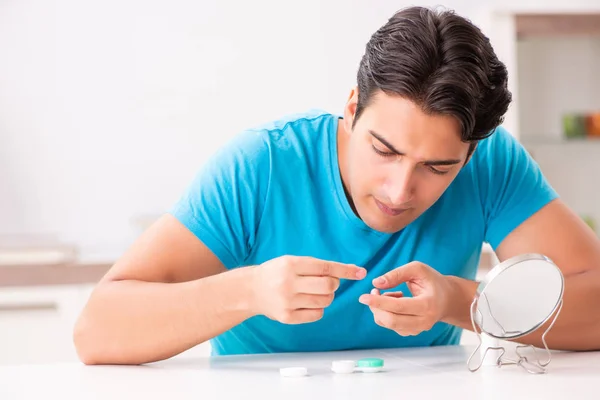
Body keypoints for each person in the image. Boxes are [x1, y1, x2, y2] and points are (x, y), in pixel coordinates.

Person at [73, 6, 600, 365]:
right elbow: (98, 329)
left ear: (470, 152)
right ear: (351, 108)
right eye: (384, 150)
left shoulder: (491, 163)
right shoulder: (261, 165)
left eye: (437, 168)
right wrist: (248, 291)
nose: (399, 191)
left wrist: (458, 301)